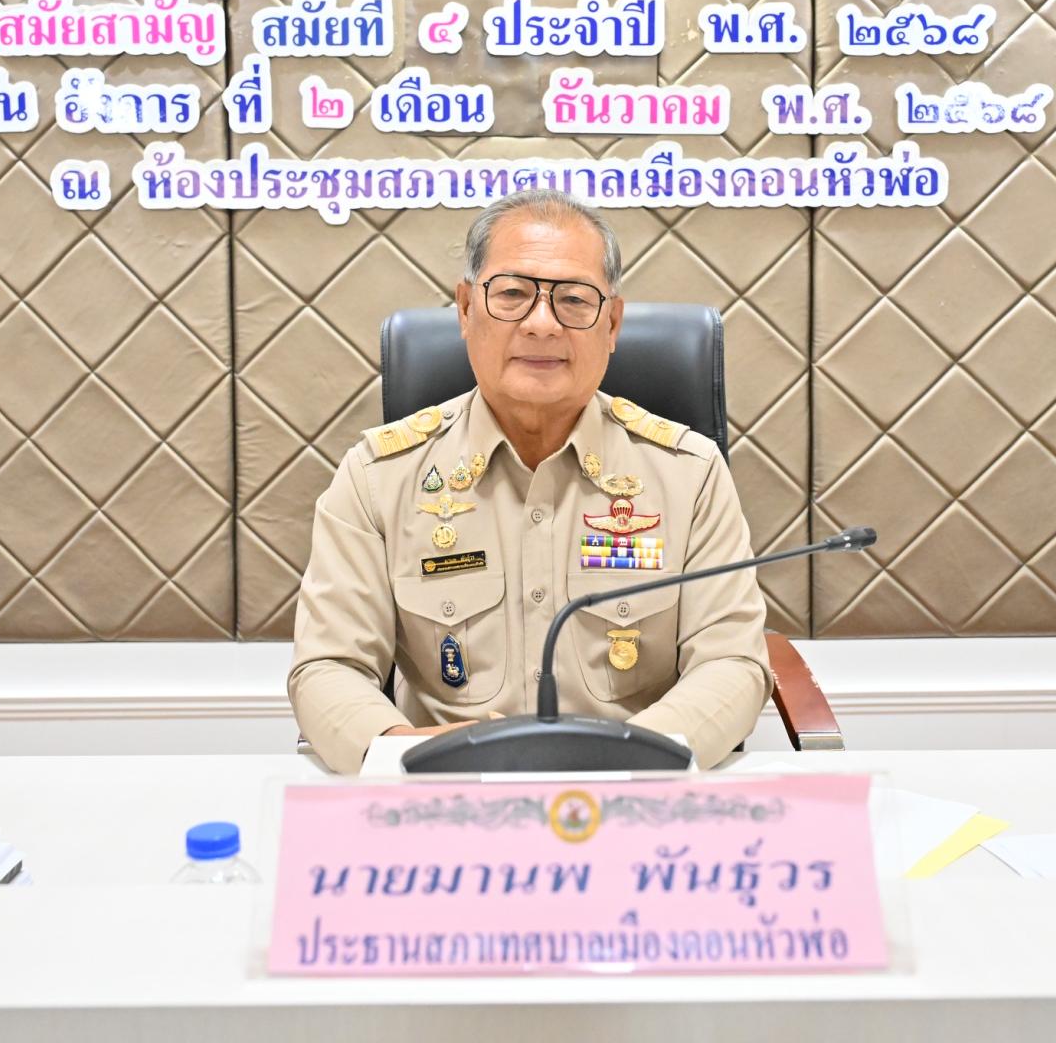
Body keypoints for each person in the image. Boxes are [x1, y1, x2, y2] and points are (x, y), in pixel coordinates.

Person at [287, 189, 773, 774]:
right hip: (447, 795)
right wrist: (407, 752)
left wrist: (620, 760)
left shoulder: (688, 475)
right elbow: (329, 666)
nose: (542, 324)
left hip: (637, 792)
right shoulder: (377, 477)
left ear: (611, 324)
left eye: (573, 299)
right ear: (465, 309)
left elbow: (731, 662)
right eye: (513, 294)